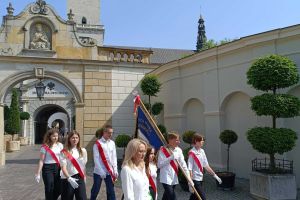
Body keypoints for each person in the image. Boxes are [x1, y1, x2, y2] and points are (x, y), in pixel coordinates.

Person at [157, 132, 193, 200]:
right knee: (172, 197)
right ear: (170, 140)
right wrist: (170, 158)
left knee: (166, 197)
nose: (179, 142)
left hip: (174, 177)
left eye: (179, 140)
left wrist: (189, 179)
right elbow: (159, 165)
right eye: (177, 140)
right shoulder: (163, 150)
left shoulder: (178, 150)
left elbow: (183, 165)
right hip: (165, 178)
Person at [188, 134, 222, 200]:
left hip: (200, 178)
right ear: (196, 141)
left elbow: (206, 165)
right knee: (203, 198)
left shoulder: (202, 151)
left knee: (194, 197)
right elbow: (190, 168)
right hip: (195, 179)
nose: (203, 142)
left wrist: (215, 176)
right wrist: (190, 182)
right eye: (201, 141)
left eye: (203, 141)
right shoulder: (192, 153)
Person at [90, 125, 118, 200]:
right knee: (96, 189)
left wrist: (115, 169)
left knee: (111, 191)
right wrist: (101, 171)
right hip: (99, 171)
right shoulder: (97, 144)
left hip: (109, 171)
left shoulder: (112, 143)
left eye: (112, 133)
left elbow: (114, 157)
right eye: (109, 133)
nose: (111, 134)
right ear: (104, 132)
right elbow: (96, 159)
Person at [35, 128, 63, 200]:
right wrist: (37, 173)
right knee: (49, 187)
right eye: (53, 136)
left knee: (59, 188)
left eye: (56, 136)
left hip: (58, 167)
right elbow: (41, 160)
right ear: (49, 136)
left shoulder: (60, 145)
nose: (55, 138)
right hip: (47, 168)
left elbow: (64, 157)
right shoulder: (45, 147)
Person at [60, 130, 88, 200]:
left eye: (76, 137)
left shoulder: (83, 150)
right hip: (68, 178)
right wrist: (69, 178)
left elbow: (83, 166)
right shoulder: (64, 152)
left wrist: (84, 177)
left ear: (79, 139)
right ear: (69, 139)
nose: (75, 139)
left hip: (80, 177)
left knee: (82, 198)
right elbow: (63, 167)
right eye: (73, 138)